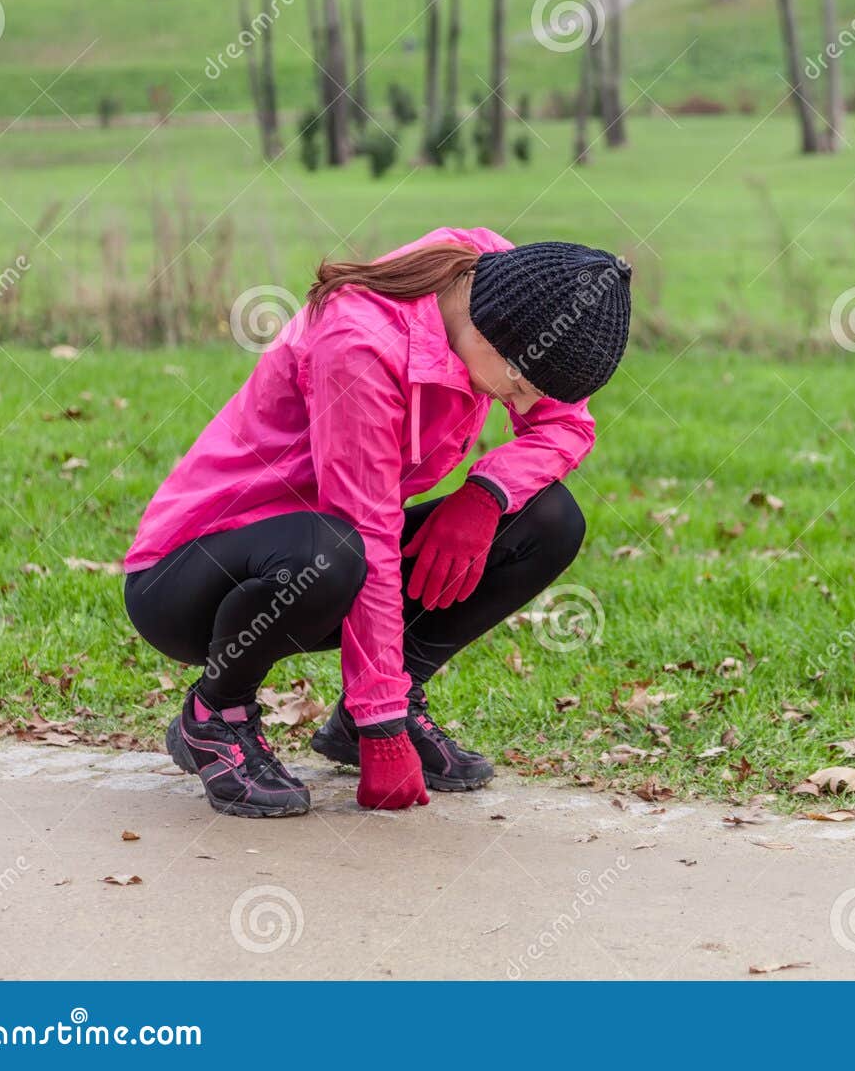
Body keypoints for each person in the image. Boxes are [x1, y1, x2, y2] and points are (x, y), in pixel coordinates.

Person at [122, 228, 631, 817]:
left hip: (327, 551)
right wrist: (381, 728)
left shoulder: (509, 285)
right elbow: (368, 531)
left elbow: (566, 426)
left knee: (548, 518)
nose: (519, 405)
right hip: (191, 576)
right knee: (335, 553)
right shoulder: (359, 346)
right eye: (519, 385)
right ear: (491, 333)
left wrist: (487, 495)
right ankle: (215, 716)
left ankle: (371, 713)